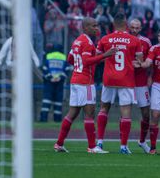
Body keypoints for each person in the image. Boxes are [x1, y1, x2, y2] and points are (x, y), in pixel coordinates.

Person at [54, 17, 117, 153]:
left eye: (97, 25)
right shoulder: (88, 43)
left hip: (75, 80)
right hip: (85, 82)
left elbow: (70, 58)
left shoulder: (77, 41)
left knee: (72, 113)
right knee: (89, 114)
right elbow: (87, 61)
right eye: (93, 26)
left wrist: (80, 66)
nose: (96, 28)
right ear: (85, 28)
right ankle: (92, 146)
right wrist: (105, 55)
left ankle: (59, 144)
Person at [96, 13, 143, 154]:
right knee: (126, 112)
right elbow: (139, 61)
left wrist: (109, 60)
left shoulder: (105, 39)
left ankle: (100, 142)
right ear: (126, 24)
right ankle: (123, 146)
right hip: (126, 79)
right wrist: (132, 62)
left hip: (109, 77)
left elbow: (98, 58)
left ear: (114, 24)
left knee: (104, 108)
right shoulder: (134, 40)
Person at [128, 19, 152, 153]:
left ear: (141, 28)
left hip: (141, 82)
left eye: (137, 28)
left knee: (146, 114)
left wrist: (150, 77)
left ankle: (142, 141)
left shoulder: (146, 42)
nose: (134, 30)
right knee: (125, 113)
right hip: (127, 82)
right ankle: (123, 144)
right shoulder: (124, 40)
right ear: (129, 27)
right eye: (132, 27)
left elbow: (151, 60)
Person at [40, 44, 71, 122]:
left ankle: (43, 120)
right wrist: (60, 78)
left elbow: (44, 69)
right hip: (59, 83)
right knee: (58, 102)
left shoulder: (48, 56)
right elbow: (67, 70)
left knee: (46, 101)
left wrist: (50, 77)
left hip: (49, 82)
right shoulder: (64, 57)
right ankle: (57, 120)